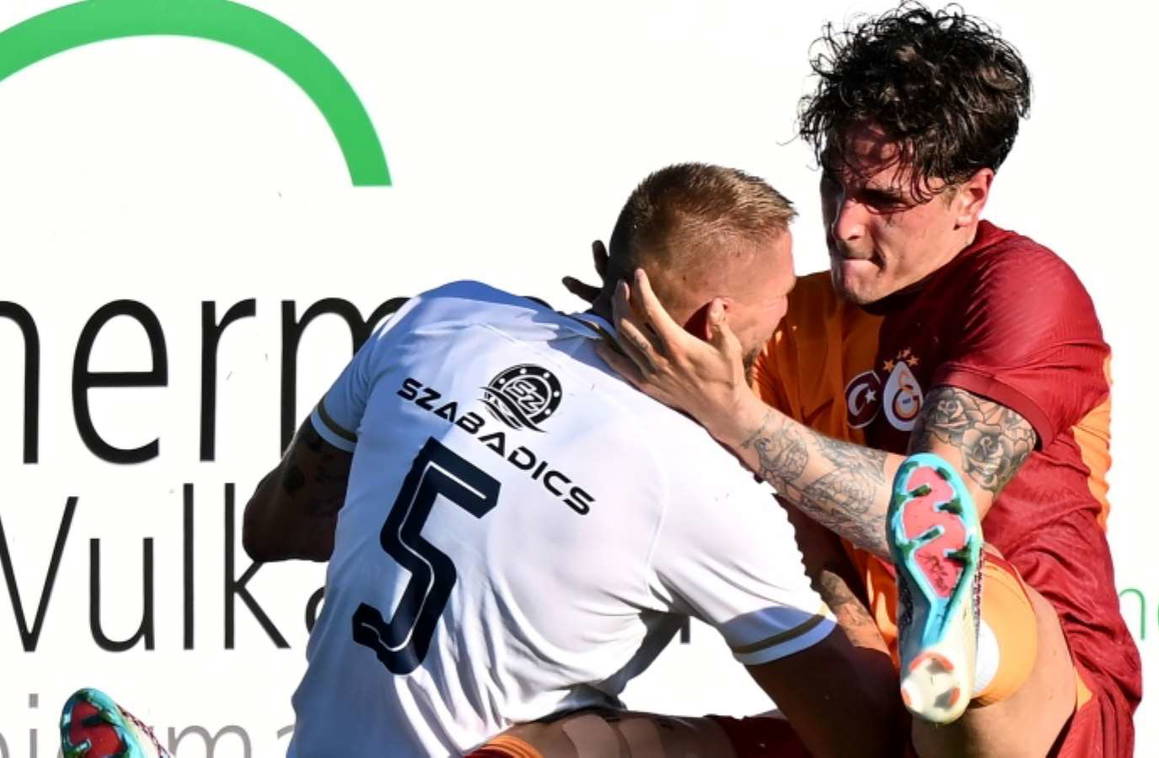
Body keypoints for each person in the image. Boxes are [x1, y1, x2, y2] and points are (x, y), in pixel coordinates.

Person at [59, 163, 901, 758]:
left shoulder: (445, 317)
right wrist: (812, 529)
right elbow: (861, 737)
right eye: (780, 311)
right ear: (715, 322)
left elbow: (273, 527)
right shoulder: (705, 485)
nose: (784, 332)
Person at [577, 5, 1141, 758]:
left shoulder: (1021, 288)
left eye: (883, 201)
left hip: (1049, 708)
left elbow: (936, 507)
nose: (843, 224)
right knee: (584, 746)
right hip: (900, 702)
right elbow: (816, 549)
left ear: (971, 197)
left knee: (953, 574)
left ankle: (962, 647)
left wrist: (732, 411)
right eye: (834, 185)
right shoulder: (789, 321)